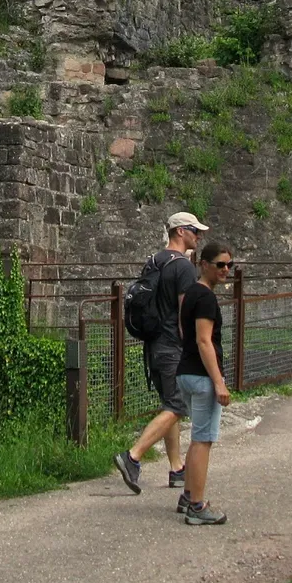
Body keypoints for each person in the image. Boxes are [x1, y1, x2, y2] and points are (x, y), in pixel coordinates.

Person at [113, 212, 208, 496]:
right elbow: (185, 315)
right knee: (177, 406)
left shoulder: (155, 260)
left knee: (170, 404)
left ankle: (177, 468)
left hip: (153, 345)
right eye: (194, 230)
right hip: (172, 347)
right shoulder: (184, 268)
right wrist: (193, 348)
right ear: (180, 232)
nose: (198, 235)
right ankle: (132, 457)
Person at [177, 242, 233, 525]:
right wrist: (219, 382)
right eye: (220, 264)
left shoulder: (189, 295)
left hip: (185, 373)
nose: (225, 270)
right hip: (201, 377)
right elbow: (203, 340)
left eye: (229, 265)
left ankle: (188, 494)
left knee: (197, 437)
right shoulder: (206, 298)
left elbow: (183, 332)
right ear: (204, 264)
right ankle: (197, 507)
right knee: (203, 440)